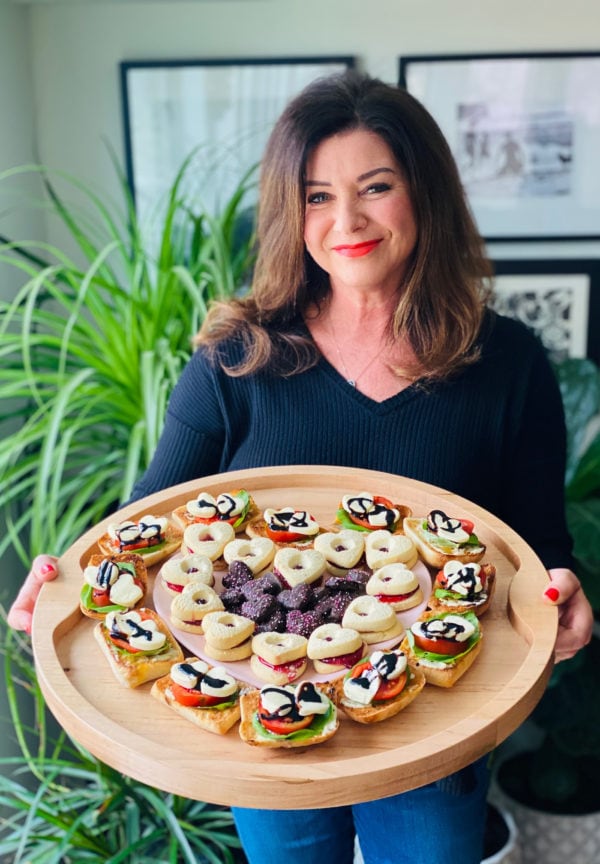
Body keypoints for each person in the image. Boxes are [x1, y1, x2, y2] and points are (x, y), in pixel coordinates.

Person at [8, 71, 593, 864]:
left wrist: (562, 594)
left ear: (424, 193)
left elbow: (536, 542)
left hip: (432, 736)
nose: (345, 220)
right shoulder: (232, 361)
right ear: (292, 211)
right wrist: (69, 581)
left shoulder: (509, 364)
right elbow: (145, 521)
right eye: (316, 196)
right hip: (268, 736)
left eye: (374, 186)